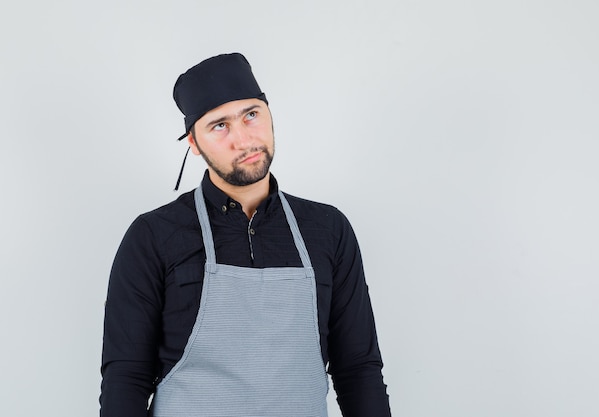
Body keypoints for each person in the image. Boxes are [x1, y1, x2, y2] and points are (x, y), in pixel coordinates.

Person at [100, 52, 391, 417]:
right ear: (194, 143)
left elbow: (358, 370)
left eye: (251, 115)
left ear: (270, 116)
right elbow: (126, 378)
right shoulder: (153, 236)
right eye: (219, 125)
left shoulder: (328, 230)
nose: (243, 139)